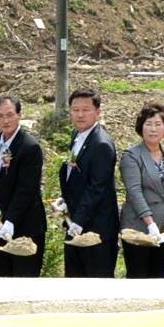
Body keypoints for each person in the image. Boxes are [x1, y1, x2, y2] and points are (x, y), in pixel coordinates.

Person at [119, 102, 164, 278]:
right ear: (141, 127)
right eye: (148, 124)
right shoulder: (131, 155)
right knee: (138, 276)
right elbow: (134, 192)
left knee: (158, 276)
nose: (153, 129)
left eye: (158, 124)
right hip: (138, 226)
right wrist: (150, 223)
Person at [60, 88, 118, 278]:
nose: (80, 114)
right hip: (76, 223)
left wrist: (78, 221)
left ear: (98, 112)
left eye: (86, 110)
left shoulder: (101, 144)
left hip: (96, 228)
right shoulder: (77, 136)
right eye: (75, 110)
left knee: (97, 285)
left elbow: (97, 188)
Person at [0, 95, 45, 278]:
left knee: (23, 282)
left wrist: (11, 220)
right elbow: (2, 181)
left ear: (20, 115)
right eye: (0, 115)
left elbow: (27, 189)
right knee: (1, 278)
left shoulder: (29, 147)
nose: (5, 120)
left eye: (10, 115)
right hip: (2, 224)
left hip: (26, 225)